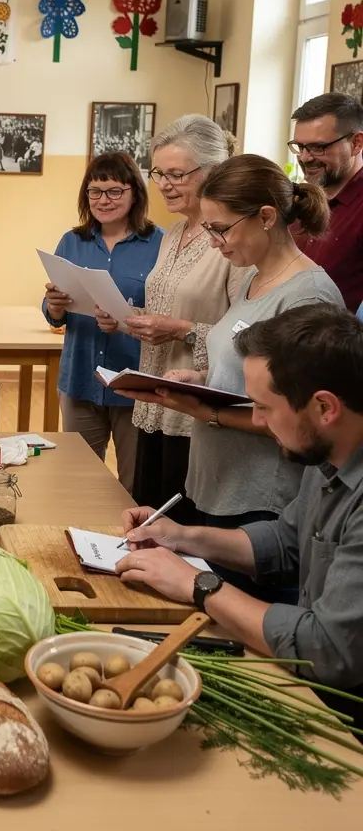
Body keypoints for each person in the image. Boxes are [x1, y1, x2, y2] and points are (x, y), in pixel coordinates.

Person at [116, 303, 363, 726]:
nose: (257, 421)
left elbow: (327, 648)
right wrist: (184, 537)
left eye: (264, 406)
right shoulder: (327, 453)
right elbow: (285, 542)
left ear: (325, 408)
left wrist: (199, 585)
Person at [116, 155, 342, 540]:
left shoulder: (308, 296)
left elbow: (304, 419)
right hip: (218, 483)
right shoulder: (254, 278)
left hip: (261, 496)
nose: (213, 242)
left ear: (266, 217)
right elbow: (248, 371)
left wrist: (206, 412)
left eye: (221, 230)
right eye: (209, 229)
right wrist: (201, 378)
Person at [98, 116, 248, 509]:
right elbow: (165, 310)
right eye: (158, 173)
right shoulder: (175, 232)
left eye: (176, 174)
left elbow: (246, 335)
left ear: (213, 170)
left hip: (195, 412)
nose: (164, 184)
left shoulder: (231, 239)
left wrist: (182, 329)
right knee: (148, 513)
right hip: (155, 402)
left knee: (179, 523)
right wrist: (125, 320)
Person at [42, 153, 163, 491]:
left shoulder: (160, 244)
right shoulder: (72, 241)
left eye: (114, 191)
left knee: (134, 486)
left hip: (135, 384)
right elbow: (53, 312)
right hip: (80, 379)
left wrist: (125, 321)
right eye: (95, 191)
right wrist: (54, 307)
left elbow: (167, 313)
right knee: (78, 485)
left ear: (135, 193)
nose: (103, 200)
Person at [289, 92, 363, 312]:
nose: (305, 157)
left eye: (318, 147)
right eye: (300, 147)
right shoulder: (298, 200)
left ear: (356, 143)